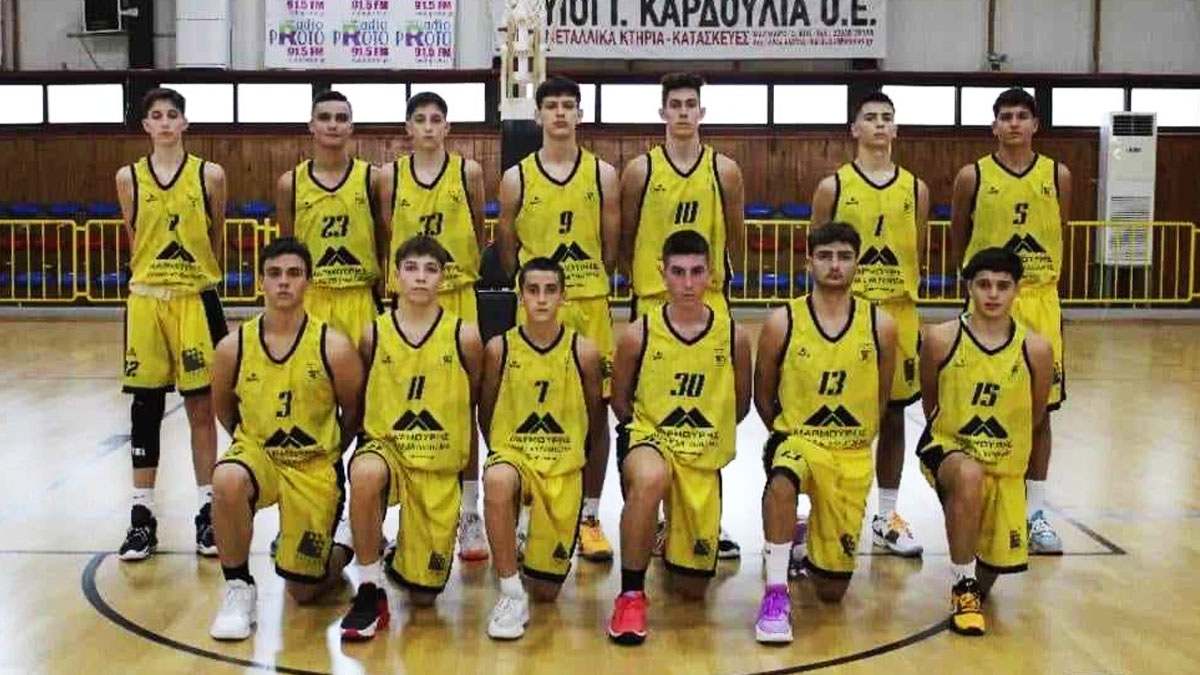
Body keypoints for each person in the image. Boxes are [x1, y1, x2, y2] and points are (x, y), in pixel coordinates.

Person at [207, 237, 363, 641]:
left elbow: (354, 412)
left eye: (294, 274)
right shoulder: (232, 348)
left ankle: (343, 543)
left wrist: (329, 452)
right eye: (274, 274)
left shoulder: (334, 347)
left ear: (308, 281)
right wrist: (247, 449)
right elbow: (224, 409)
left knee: (304, 592)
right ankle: (239, 587)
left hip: (314, 467)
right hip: (259, 456)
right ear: (260, 281)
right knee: (227, 478)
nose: (283, 282)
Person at [619, 71, 747, 559]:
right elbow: (627, 234)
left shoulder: (724, 170)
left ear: (702, 112)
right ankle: (649, 518)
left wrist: (721, 282)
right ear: (662, 112)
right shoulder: (641, 170)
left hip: (707, 299)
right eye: (675, 105)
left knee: (706, 416)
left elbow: (735, 233)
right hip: (655, 299)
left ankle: (705, 517)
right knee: (650, 416)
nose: (683, 112)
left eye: (690, 104)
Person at [753, 222, 896, 643]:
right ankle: (775, 593)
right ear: (809, 262)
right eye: (826, 256)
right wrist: (786, 433)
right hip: (798, 442)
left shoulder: (881, 326)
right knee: (782, 480)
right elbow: (763, 394)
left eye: (845, 257)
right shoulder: (782, 321)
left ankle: (803, 537)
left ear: (857, 264)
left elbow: (880, 397)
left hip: (850, 455)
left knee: (831, 592)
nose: (835, 265)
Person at [607, 230, 752, 645]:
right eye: (678, 272)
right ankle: (630, 596)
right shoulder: (639, 333)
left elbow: (740, 404)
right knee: (650, 477)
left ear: (711, 274)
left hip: (701, 454)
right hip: (650, 439)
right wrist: (646, 439)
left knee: (692, 590)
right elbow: (620, 400)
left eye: (696, 272)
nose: (688, 283)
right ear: (663, 274)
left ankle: (669, 535)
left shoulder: (733, 337)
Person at [496, 75, 620, 562]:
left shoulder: (603, 174)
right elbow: (507, 246)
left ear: (580, 115)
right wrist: (531, 289)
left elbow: (611, 244)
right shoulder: (517, 178)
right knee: (528, 409)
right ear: (539, 116)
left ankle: (588, 515)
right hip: (535, 305)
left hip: (588, 303)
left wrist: (587, 282)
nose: (561, 113)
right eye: (553, 106)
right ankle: (528, 510)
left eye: (570, 105)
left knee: (594, 412)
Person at [338, 235, 483, 640]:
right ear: (395, 276)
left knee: (423, 597)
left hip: (436, 463)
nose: (420, 277)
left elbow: (471, 399)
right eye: (411, 268)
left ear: (443, 278)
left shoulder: (465, 337)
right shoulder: (372, 334)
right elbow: (361, 398)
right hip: (387, 451)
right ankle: (369, 590)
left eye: (431, 269)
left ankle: (403, 556)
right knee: (364, 473)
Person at [951, 88, 1071, 554]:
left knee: (1041, 411)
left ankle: (1035, 513)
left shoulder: (1057, 175)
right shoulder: (973, 176)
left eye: (1022, 116)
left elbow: (1061, 229)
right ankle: (977, 501)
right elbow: (960, 237)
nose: (1014, 123)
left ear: (1036, 125)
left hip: (1039, 301)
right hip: (987, 302)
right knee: (978, 406)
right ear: (994, 125)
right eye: (1006, 116)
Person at [811, 90, 928, 557]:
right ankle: (825, 512)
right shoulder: (832, 187)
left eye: (887, 117)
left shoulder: (915, 189)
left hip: (898, 311)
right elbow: (817, 250)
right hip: (847, 311)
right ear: (854, 129)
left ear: (895, 128)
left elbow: (917, 246)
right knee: (831, 412)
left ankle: (886, 514)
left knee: (894, 415)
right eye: (871, 117)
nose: (880, 124)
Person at [114, 87, 228, 561]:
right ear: (146, 126)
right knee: (145, 409)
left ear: (185, 122)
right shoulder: (128, 177)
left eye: (172, 114)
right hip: (147, 301)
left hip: (195, 299)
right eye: (156, 115)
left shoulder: (210, 175)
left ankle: (208, 512)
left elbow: (216, 235)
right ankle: (142, 516)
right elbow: (135, 236)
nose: (164, 122)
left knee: (201, 407)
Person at [917, 247, 1052, 635]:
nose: (993, 294)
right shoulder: (940, 339)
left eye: (1002, 286)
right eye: (984, 285)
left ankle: (973, 578)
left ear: (1017, 290)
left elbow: (1035, 414)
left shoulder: (1037, 349)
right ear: (969, 288)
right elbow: (931, 403)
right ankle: (962, 589)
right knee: (969, 475)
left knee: (989, 575)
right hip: (948, 451)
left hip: (1005, 467)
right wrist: (960, 455)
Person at [379, 90, 488, 561]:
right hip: (409, 299)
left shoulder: (469, 172)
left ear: (448, 127)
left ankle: (470, 512)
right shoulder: (390, 176)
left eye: (435, 119)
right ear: (408, 127)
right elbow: (388, 233)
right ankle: (398, 510)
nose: (428, 126)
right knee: (403, 404)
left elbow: (478, 228)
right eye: (419, 119)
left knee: (463, 405)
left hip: (458, 294)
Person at [478, 257, 608, 640]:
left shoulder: (584, 351)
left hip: (561, 468)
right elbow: (486, 410)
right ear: (520, 297)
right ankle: (509, 592)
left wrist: (572, 456)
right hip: (516, 458)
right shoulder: (499, 348)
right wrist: (501, 454)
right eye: (533, 290)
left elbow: (594, 418)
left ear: (563, 297)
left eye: (550, 290)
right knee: (497, 478)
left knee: (547, 593)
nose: (541, 299)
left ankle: (528, 533)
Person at [276, 90, 385, 347]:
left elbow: (383, 237)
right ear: (311, 126)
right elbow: (288, 248)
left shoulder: (373, 179)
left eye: (341, 118)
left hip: (360, 296)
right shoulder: (290, 183)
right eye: (325, 117)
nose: (333, 124)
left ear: (351, 127)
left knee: (364, 372)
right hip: (311, 296)